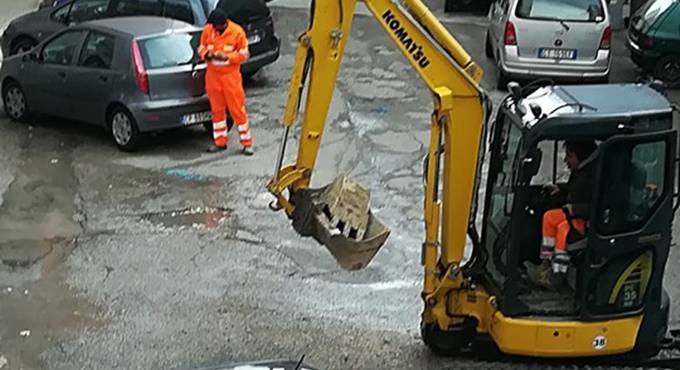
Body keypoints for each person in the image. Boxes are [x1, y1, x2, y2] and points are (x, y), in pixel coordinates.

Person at [526, 140, 598, 290]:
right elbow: (575, 190)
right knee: (549, 217)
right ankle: (545, 263)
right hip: (576, 215)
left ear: (581, 155)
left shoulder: (594, 176)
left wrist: (574, 209)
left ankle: (556, 276)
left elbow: (599, 204)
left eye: (569, 156)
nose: (565, 160)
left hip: (588, 221)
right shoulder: (582, 171)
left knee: (563, 229)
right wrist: (560, 189)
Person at [198, 9, 254, 155]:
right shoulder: (208, 30)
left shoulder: (237, 32)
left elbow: (244, 54)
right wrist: (207, 55)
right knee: (217, 112)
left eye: (216, 26)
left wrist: (228, 57)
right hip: (213, 76)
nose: (214, 29)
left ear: (223, 24)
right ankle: (220, 141)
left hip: (230, 77)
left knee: (237, 110)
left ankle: (247, 143)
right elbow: (201, 47)